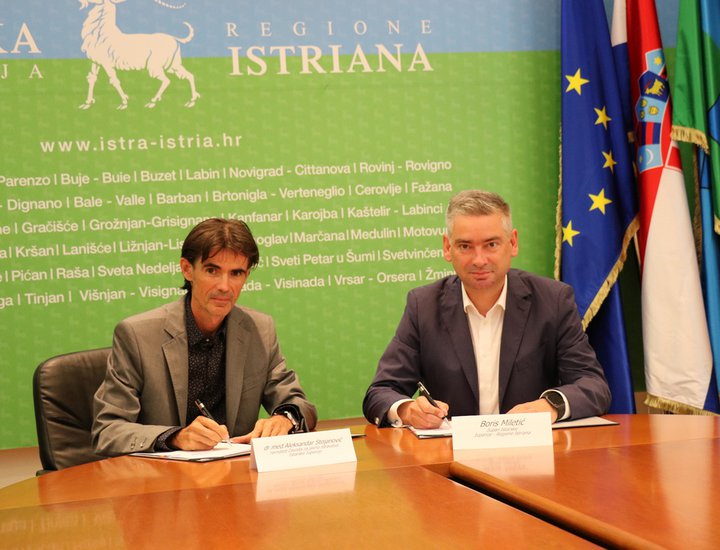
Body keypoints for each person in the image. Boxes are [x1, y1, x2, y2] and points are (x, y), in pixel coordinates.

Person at [363, 190, 610, 429]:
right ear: (447, 247)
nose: (479, 260)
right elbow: (380, 391)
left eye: (491, 244)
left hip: (533, 450)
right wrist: (408, 410)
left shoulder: (553, 300)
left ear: (512, 243)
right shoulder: (423, 306)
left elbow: (593, 385)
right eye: (465, 246)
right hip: (451, 453)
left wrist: (551, 406)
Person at [93, 218, 317, 456]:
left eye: (236, 273)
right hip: (162, 475)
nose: (224, 286)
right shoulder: (137, 335)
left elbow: (297, 402)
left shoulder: (259, 330)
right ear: (187, 269)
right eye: (212, 270)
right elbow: (107, 431)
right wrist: (176, 437)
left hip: (236, 472)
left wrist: (285, 418)